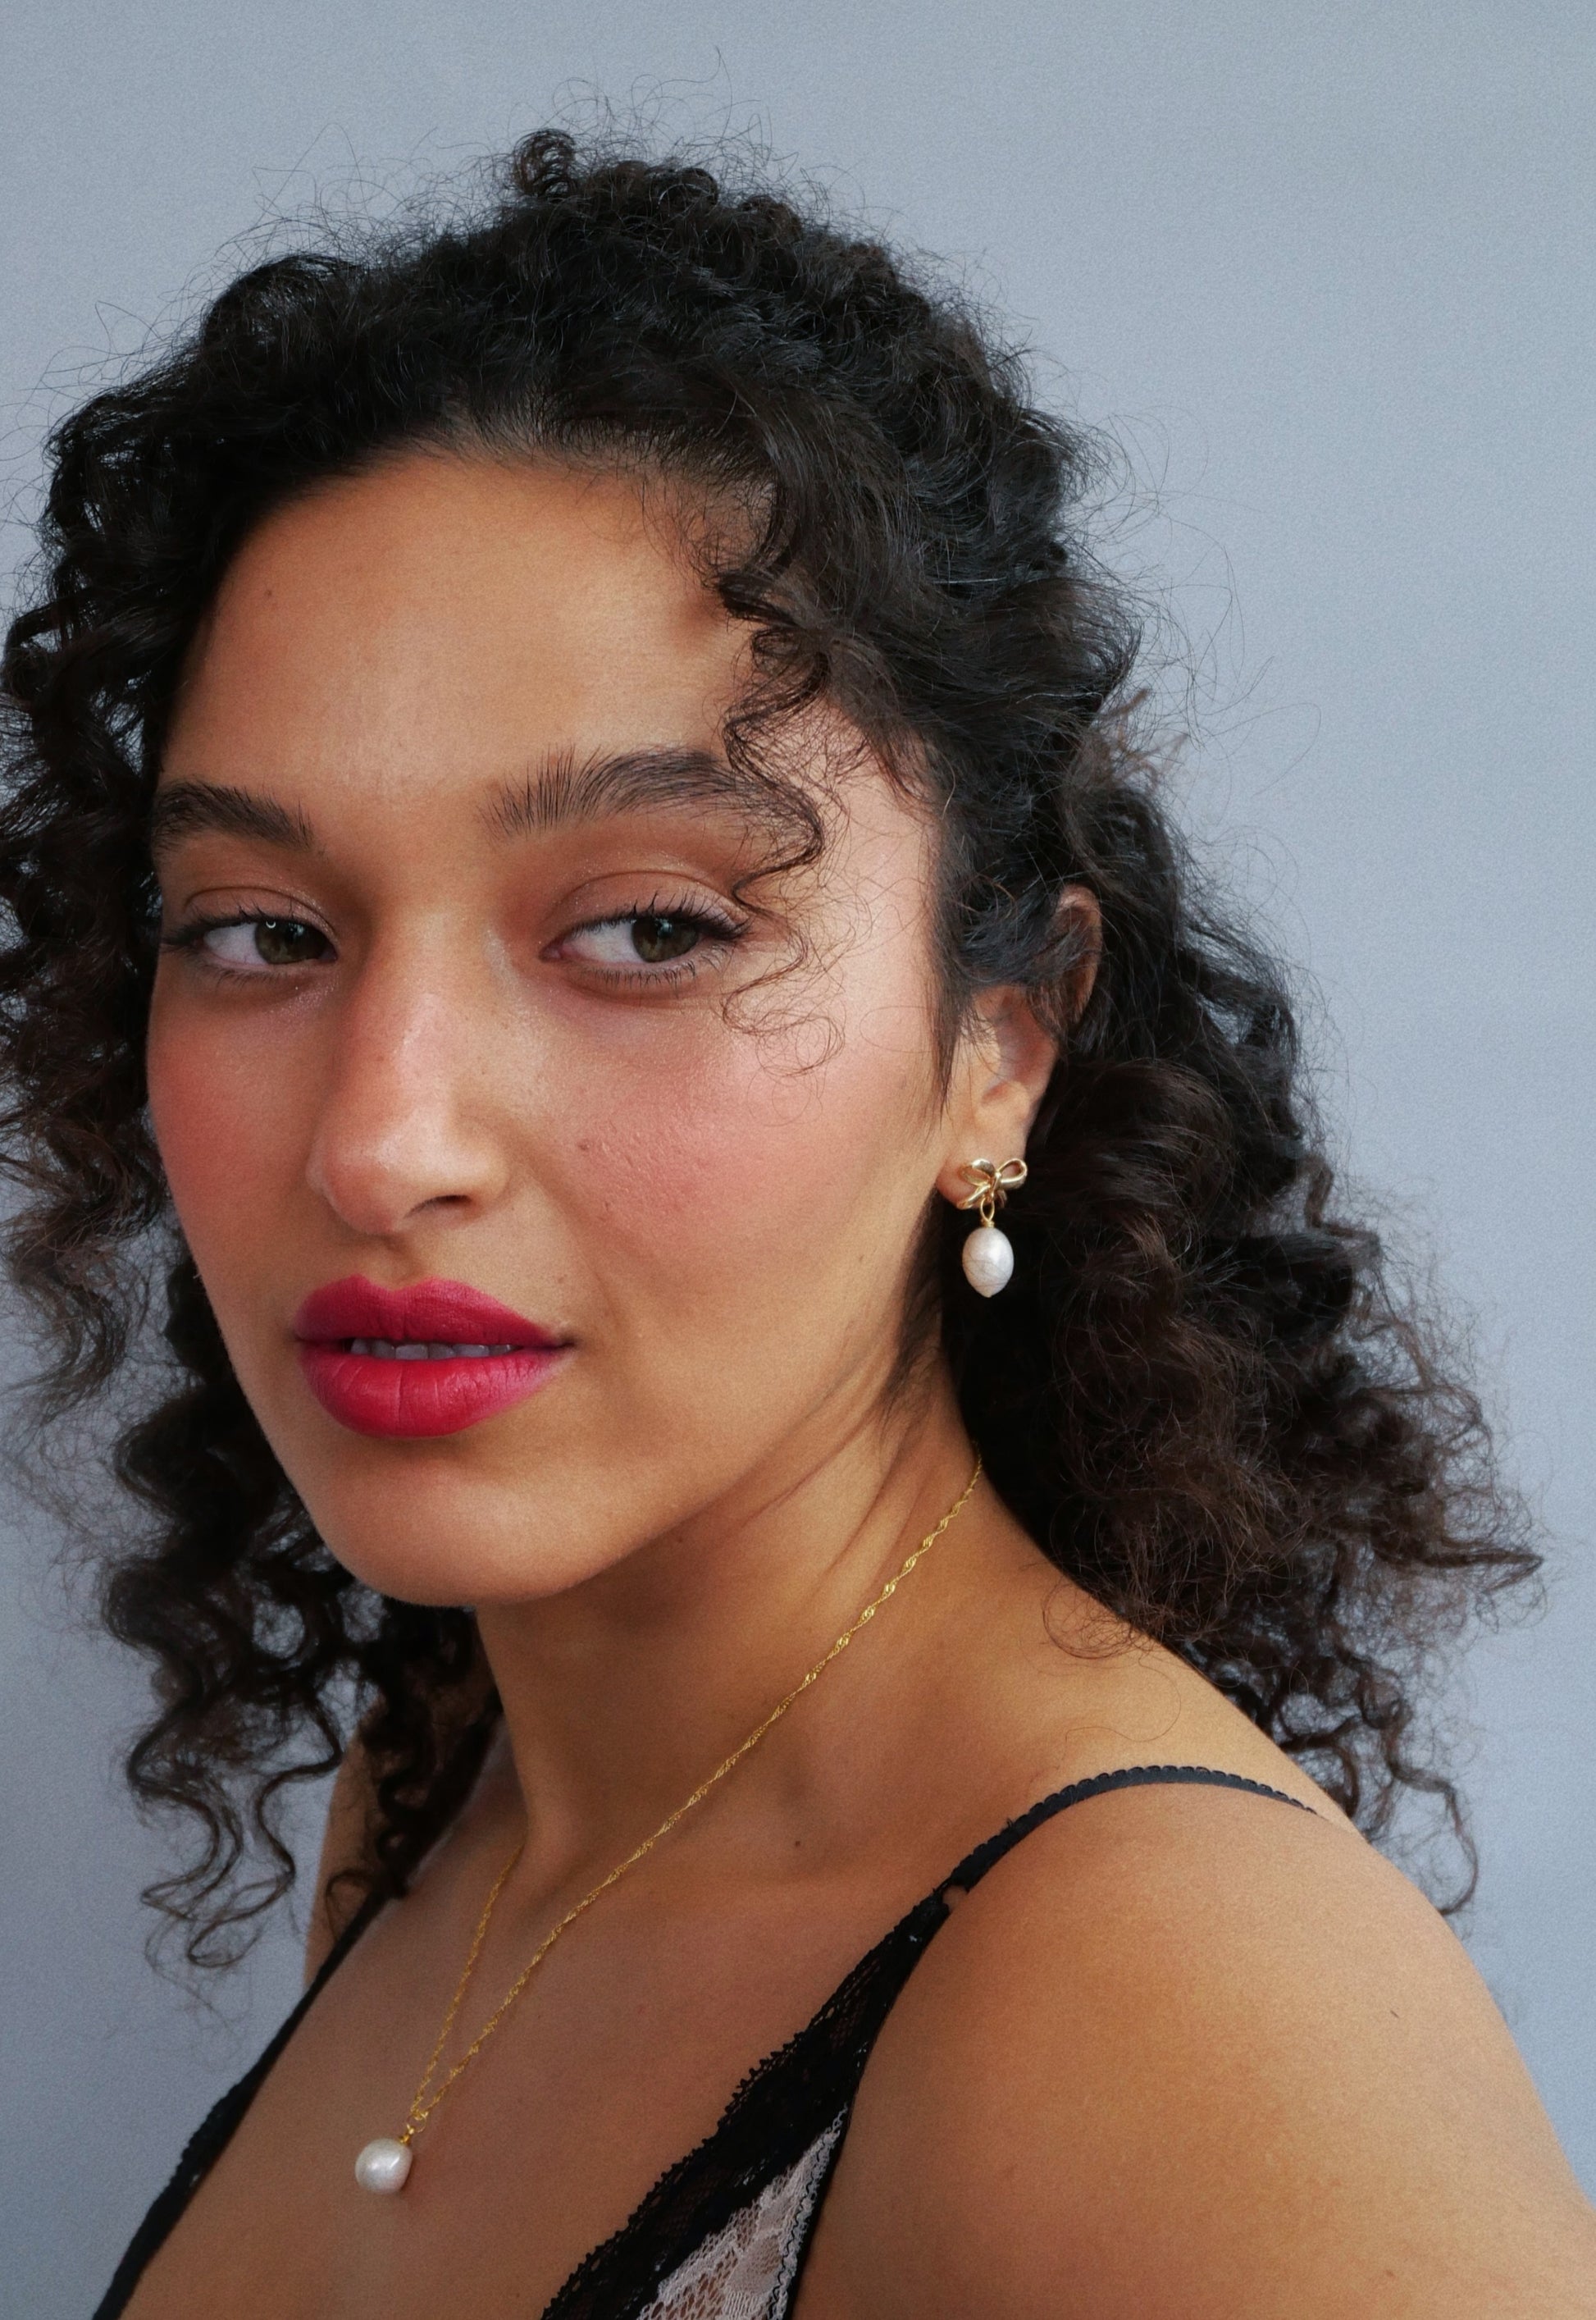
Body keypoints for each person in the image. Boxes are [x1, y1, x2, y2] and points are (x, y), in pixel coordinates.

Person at [2, 130, 1591, 2319]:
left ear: (1001, 1049)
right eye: (262, 929)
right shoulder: (447, 1795)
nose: (382, 1139)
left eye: (647, 925)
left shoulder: (1182, 2024)